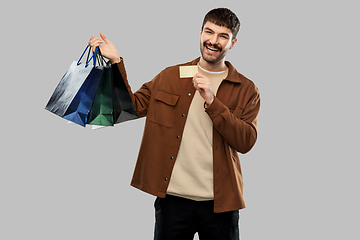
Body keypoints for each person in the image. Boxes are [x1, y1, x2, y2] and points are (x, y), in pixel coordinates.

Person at [89, 8, 260, 240]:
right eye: (209, 32)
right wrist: (116, 62)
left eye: (223, 36)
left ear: (233, 42)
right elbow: (130, 107)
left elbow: (246, 141)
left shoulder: (247, 89)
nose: (213, 41)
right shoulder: (170, 76)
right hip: (173, 201)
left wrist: (212, 100)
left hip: (221, 204)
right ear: (200, 32)